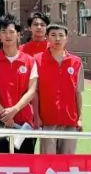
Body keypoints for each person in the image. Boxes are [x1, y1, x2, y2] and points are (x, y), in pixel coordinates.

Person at [0, 15, 37, 154]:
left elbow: (31, 91)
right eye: (4, 32)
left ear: (18, 34)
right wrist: (4, 115)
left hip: (23, 119)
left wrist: (15, 110)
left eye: (11, 32)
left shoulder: (30, 61)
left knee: (24, 162)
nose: (8, 35)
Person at [35, 23, 84, 155]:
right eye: (53, 35)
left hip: (70, 121)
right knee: (48, 162)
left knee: (67, 161)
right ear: (47, 38)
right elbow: (35, 92)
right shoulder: (37, 60)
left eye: (61, 35)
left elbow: (78, 92)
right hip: (48, 120)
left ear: (66, 38)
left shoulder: (76, 62)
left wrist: (80, 118)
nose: (57, 39)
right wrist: (37, 117)